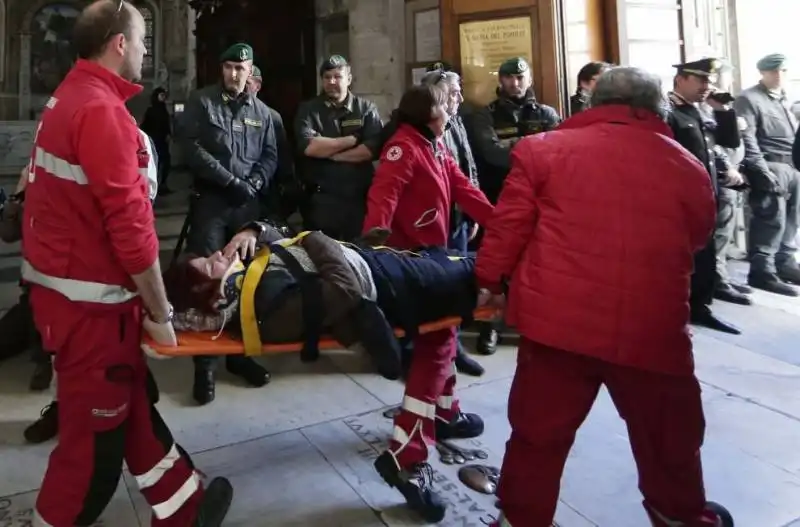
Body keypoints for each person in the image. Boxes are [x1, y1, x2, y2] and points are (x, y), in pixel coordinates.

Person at [476, 67, 732, 527]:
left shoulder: (543, 150)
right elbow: (698, 233)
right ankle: (678, 515)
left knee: (538, 434)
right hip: (650, 328)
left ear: (594, 104)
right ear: (656, 109)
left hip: (558, 324)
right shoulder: (684, 164)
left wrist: (491, 282)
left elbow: (508, 227)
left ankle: (521, 519)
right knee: (666, 436)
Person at [20, 1, 232, 525]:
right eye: (141, 42)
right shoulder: (101, 111)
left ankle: (185, 508)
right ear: (119, 43)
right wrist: (161, 314)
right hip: (92, 311)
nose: (144, 51)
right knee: (91, 458)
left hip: (70, 300)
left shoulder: (68, 97)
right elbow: (133, 231)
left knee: (130, 406)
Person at [364, 84, 494, 522]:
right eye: (444, 104)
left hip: (436, 257)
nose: (451, 107)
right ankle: (407, 452)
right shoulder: (404, 147)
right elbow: (384, 194)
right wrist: (376, 238)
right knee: (437, 346)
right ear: (426, 114)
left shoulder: (434, 145)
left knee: (448, 330)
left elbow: (463, 189)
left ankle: (445, 410)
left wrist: (501, 223)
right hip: (411, 265)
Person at [161, 221, 488, 377]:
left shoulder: (251, 279)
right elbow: (344, 290)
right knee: (480, 271)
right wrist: (314, 238)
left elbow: (284, 243)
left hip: (379, 265)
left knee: (463, 259)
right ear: (212, 298)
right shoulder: (264, 310)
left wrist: (255, 231)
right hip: (392, 287)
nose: (219, 254)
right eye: (210, 264)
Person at [179, 42, 278, 405]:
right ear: (221, 69)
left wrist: (254, 184)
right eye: (229, 67)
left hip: (247, 207)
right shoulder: (202, 102)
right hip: (212, 204)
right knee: (208, 285)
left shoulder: (263, 113)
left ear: (250, 71)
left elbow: (270, 155)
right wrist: (229, 180)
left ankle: (240, 356)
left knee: (247, 281)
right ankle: (204, 367)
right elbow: (190, 148)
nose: (235, 74)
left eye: (242, 68)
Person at [464, 56, 561, 355]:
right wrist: (533, 147)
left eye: (520, 78)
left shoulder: (546, 113)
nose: (515, 83)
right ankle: (489, 325)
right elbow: (492, 154)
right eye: (509, 78)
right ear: (501, 80)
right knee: (494, 266)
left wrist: (515, 146)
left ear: (529, 79)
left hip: (540, 200)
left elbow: (557, 153)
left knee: (538, 262)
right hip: (499, 199)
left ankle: (534, 323)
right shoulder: (485, 116)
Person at [666, 58, 743, 334]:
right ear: (681, 80)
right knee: (682, 260)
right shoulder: (668, 111)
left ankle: (701, 307)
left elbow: (724, 143)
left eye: (709, 82)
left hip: (707, 194)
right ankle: (678, 312)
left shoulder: (701, 111)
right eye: (700, 81)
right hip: (680, 199)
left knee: (706, 255)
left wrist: (722, 110)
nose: (706, 87)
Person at [294, 55, 384, 240]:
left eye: (337, 76)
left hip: (358, 201)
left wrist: (331, 154)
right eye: (327, 77)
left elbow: (370, 151)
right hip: (321, 201)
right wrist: (352, 140)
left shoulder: (366, 109)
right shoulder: (308, 110)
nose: (332, 82)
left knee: (359, 255)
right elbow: (310, 147)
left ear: (349, 79)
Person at [734, 53, 800, 296]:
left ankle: (786, 264)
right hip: (771, 165)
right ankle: (763, 271)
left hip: (793, 166)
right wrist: (762, 171)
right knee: (770, 220)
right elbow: (748, 139)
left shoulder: (785, 99)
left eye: (783, 71)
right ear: (762, 73)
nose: (779, 76)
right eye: (773, 72)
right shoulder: (748, 99)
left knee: (792, 220)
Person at [246, 65, 302, 221]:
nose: (243, 87)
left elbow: (282, 155)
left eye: (248, 83)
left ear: (258, 85)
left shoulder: (271, 116)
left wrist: (288, 187)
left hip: (264, 191)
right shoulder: (225, 114)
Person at [141, 86, 172, 194]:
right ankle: (155, 186)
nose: (163, 98)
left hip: (163, 140)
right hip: (154, 140)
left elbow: (166, 124)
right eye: (161, 95)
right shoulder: (151, 110)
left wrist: (168, 134)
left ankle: (162, 184)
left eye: (164, 96)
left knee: (166, 162)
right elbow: (145, 126)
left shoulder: (163, 109)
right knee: (156, 163)